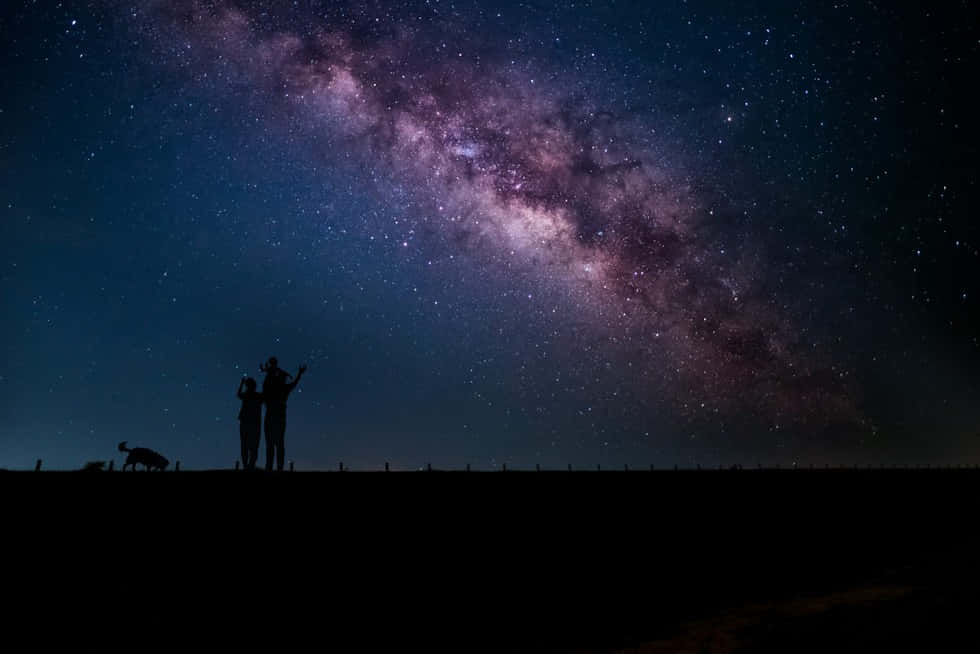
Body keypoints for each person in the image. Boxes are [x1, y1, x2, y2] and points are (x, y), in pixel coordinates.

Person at [261, 357, 307, 472]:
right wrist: (299, 374)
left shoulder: (271, 388)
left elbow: (265, 385)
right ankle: (278, 467)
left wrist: (269, 371)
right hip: (279, 417)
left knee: (272, 444)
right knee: (278, 443)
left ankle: (270, 467)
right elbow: (294, 383)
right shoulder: (284, 388)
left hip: (272, 416)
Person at [237, 377, 263, 470]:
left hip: (246, 423)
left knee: (245, 445)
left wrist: (241, 383)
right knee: (253, 445)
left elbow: (239, 394)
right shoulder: (258, 396)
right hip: (254, 424)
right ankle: (250, 465)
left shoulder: (247, 395)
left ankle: (247, 465)